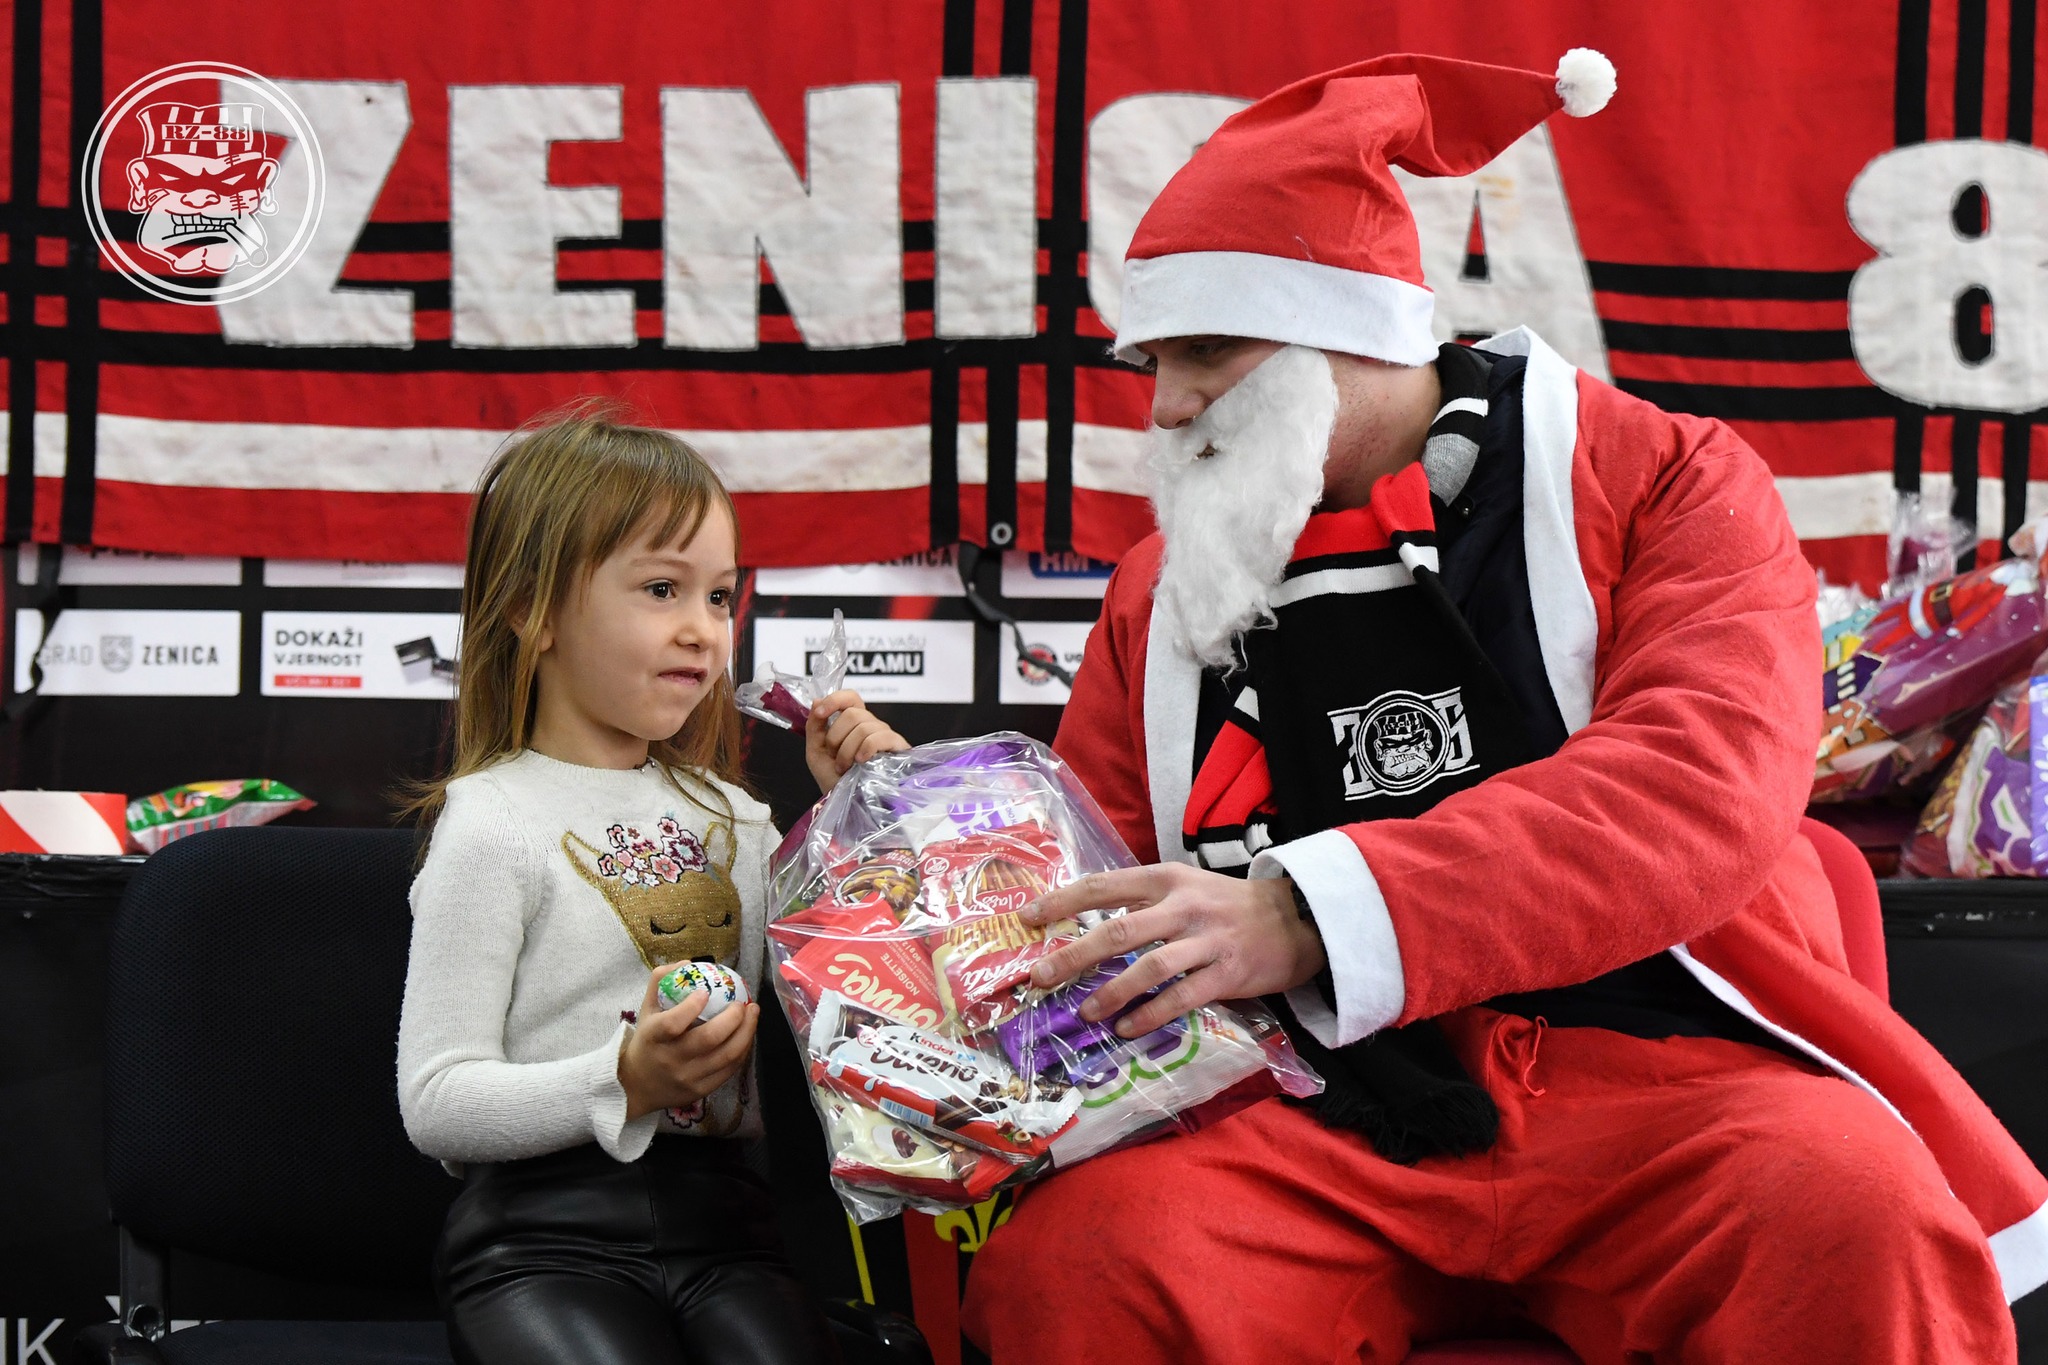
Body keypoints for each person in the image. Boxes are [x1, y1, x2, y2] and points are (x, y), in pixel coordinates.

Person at [963, 51, 2048, 1364]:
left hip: (1666, 1088)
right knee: (1086, 1263)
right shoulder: (1159, 586)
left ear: (1355, 332)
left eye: (1205, 352)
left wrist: (1300, 917)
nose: (1168, 404)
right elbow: (1096, 865)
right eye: (1154, 361)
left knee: (1853, 1216)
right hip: (1306, 1114)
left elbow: (1692, 793)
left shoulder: (1666, 479)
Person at [396, 406, 908, 1365]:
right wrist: (625, 1080)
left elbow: (868, 1001)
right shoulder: (490, 820)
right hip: (539, 1243)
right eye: (662, 588)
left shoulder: (740, 822)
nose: (702, 630)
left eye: (719, 596)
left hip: (732, 1236)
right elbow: (437, 1100)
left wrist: (868, 815)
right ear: (532, 610)